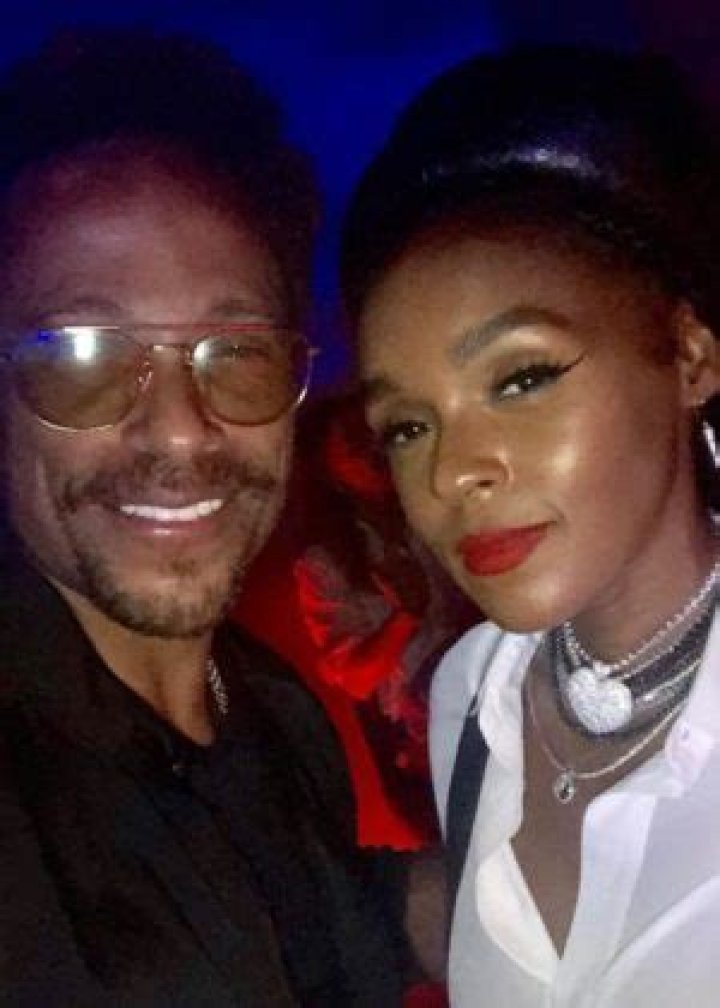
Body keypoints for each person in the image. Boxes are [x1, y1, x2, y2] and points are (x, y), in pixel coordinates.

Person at [0, 28, 404, 1006]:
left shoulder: (274, 712)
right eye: (83, 353)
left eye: (239, 350)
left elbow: (340, 922)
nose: (181, 429)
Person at [341, 45, 720, 1007]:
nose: (452, 471)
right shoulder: (472, 701)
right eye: (408, 426)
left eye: (521, 378)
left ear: (688, 356)